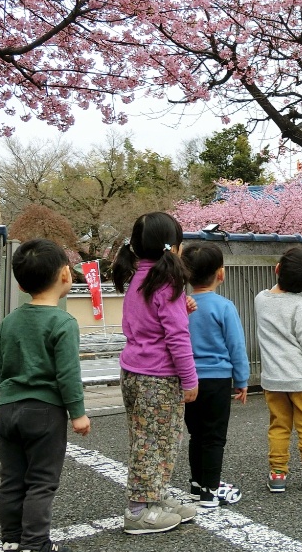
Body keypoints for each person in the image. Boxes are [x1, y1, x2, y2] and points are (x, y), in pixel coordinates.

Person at [0, 238, 91, 552]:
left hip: (8, 410)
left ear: (21, 286)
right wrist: (77, 413)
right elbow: (67, 373)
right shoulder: (63, 322)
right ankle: (36, 544)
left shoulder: (9, 322)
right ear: (65, 274)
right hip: (45, 412)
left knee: (12, 479)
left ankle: (11, 539)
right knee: (41, 481)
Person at [112, 212, 199, 535]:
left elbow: (148, 321)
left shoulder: (139, 276)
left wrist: (180, 308)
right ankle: (138, 511)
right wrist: (190, 379)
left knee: (147, 439)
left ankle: (155, 497)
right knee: (157, 442)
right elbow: (177, 337)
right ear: (173, 247)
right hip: (159, 378)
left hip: (134, 372)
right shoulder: (167, 282)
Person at [254, 247, 302, 493]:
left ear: (277, 269)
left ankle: (277, 474)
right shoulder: (300, 306)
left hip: (273, 380)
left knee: (278, 426)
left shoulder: (260, 300)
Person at [180, 242, 250, 508]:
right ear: (221, 273)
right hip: (217, 379)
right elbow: (236, 346)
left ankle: (197, 485)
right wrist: (241, 380)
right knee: (214, 437)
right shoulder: (224, 306)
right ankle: (211, 490)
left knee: (197, 435)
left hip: (188, 380)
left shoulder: (181, 306)